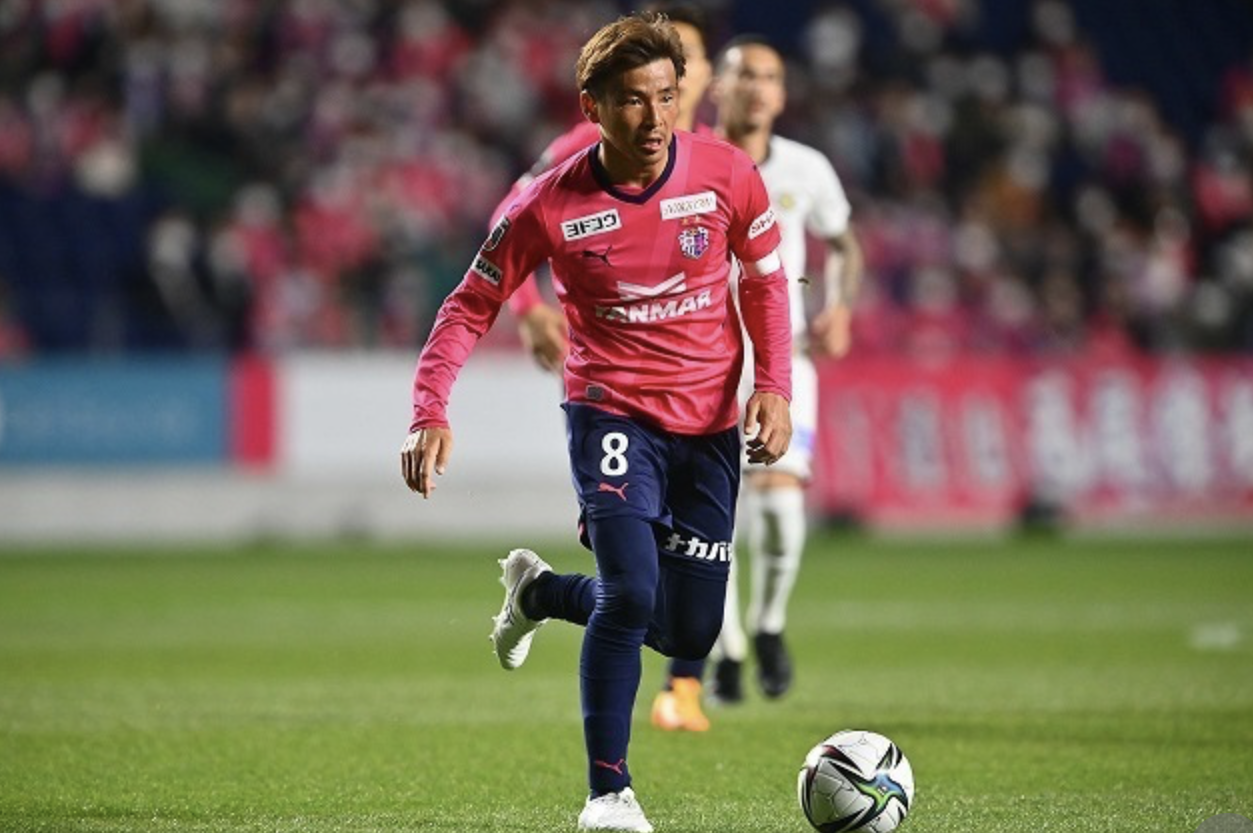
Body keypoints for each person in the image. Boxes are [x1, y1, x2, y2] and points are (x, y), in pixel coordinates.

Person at [400, 13, 793, 832]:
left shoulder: (727, 174)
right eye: (631, 101)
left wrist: (774, 386)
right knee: (632, 591)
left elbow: (764, 279)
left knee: (686, 628)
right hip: (610, 412)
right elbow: (468, 304)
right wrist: (429, 409)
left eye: (665, 97)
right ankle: (607, 794)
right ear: (593, 106)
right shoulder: (550, 202)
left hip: (707, 427)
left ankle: (539, 591)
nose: (653, 119)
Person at [650, 34, 865, 728]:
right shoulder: (685, 159)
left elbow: (844, 244)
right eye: (744, 74)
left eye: (769, 77)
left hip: (782, 357)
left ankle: (768, 624)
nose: (757, 88)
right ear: (718, 87)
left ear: (781, 93)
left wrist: (839, 306)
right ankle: (729, 650)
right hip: (704, 358)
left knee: (777, 505)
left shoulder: (807, 168)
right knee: (713, 513)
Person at [497, 3, 714, 374]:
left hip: (698, 377)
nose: (674, 69)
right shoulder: (591, 143)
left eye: (686, 55)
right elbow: (508, 215)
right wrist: (528, 308)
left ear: (708, 73)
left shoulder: (725, 162)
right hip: (604, 372)